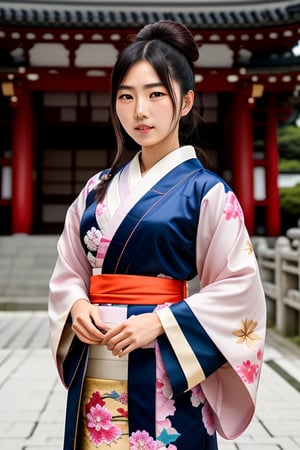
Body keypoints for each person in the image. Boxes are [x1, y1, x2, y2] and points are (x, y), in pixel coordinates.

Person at [48, 19, 266, 450]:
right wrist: (75, 304)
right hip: (99, 358)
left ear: (185, 103)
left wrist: (163, 321)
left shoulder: (207, 193)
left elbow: (240, 285)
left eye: (155, 94)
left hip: (168, 363)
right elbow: (69, 268)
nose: (139, 111)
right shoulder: (97, 189)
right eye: (126, 96)